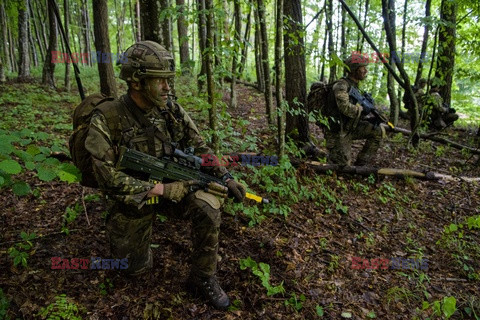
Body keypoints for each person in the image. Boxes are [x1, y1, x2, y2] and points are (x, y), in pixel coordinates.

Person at [85, 41, 246, 309]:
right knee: (132, 269)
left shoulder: (170, 109)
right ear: (137, 82)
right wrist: (159, 190)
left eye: (168, 81)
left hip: (174, 186)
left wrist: (226, 176)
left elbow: (201, 147)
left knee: (208, 206)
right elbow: (105, 177)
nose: (167, 87)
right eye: (160, 81)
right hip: (132, 199)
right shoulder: (108, 118)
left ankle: (202, 277)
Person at [321, 55, 384, 166]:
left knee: (378, 130)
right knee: (342, 167)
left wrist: (368, 116)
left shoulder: (355, 86)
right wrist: (361, 109)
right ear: (354, 69)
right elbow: (345, 108)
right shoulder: (341, 86)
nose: (366, 70)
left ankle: (362, 164)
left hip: (350, 127)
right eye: (362, 67)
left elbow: (355, 110)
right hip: (338, 132)